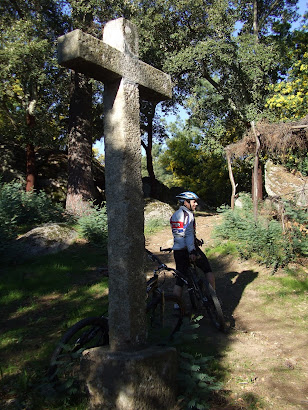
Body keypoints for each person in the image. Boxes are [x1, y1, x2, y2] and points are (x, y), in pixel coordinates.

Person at [170, 191, 215, 302]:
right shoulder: (189, 215)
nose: (196, 204)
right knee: (207, 269)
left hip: (178, 251)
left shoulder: (174, 215)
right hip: (189, 249)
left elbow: (180, 233)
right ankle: (214, 299)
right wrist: (192, 251)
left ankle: (177, 307)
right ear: (186, 202)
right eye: (194, 202)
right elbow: (188, 235)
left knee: (179, 280)